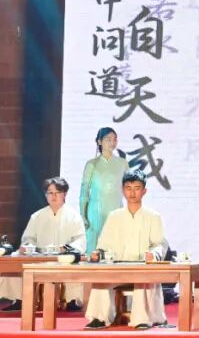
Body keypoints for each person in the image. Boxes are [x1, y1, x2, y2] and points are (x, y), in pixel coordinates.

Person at [84, 170, 169, 330]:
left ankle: (142, 319)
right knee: (100, 279)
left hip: (142, 267)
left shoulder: (153, 216)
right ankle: (99, 318)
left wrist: (154, 254)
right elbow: (104, 244)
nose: (132, 192)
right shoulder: (114, 216)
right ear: (123, 190)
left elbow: (159, 243)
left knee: (143, 278)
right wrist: (98, 253)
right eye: (128, 188)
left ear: (144, 191)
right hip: (118, 267)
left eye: (137, 188)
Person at [0, 178, 86, 312]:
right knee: (16, 264)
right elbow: (28, 238)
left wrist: (67, 249)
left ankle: (72, 300)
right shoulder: (37, 216)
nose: (53, 196)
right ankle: (20, 298)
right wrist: (28, 246)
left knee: (77, 266)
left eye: (57, 192)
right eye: (50, 193)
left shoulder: (74, 216)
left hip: (64, 259)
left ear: (64, 194)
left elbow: (79, 240)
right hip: (39, 258)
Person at [80, 127, 127, 251]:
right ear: (99, 141)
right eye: (108, 139)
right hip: (96, 211)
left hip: (116, 208)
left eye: (115, 139)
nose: (112, 142)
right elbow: (84, 192)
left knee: (115, 245)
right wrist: (83, 215)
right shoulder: (92, 164)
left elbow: (128, 188)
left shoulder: (123, 163)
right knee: (95, 246)